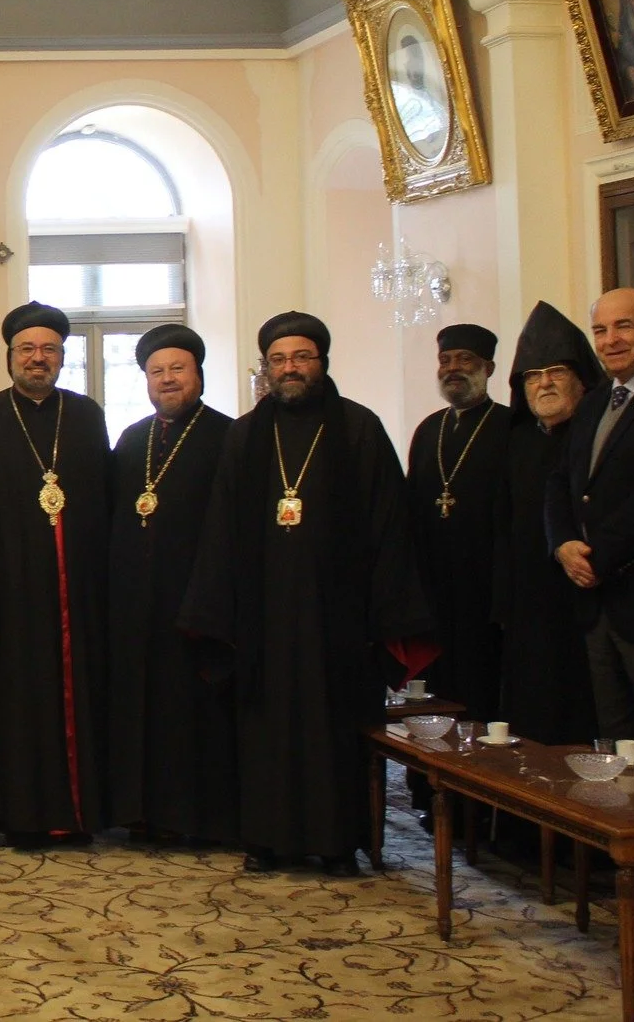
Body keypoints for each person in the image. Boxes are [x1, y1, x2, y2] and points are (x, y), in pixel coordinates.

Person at [179, 312, 434, 877]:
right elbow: (220, 527)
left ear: (322, 361)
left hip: (337, 619)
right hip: (262, 619)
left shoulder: (359, 429)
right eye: (278, 359)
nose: (289, 368)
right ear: (265, 367)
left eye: (301, 358)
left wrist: (383, 610)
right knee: (264, 732)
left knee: (333, 733)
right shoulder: (246, 435)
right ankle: (266, 840)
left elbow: (389, 525)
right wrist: (213, 611)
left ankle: (338, 842)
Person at [0, 300, 111, 848]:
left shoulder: (85, 416)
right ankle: (9, 814)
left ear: (63, 356)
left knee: (76, 702)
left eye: (49, 350)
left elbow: (104, 505)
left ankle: (75, 814)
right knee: (11, 706)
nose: (38, 359)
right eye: (27, 350)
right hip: (7, 598)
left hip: (74, 594)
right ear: (10, 356)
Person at [543, 287, 634, 915]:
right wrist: (560, 546)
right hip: (596, 602)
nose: (610, 341)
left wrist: (594, 555)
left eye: (624, 327)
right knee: (618, 741)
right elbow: (560, 482)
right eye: (600, 331)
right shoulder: (598, 399)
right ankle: (633, 864)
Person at [105, 323, 236, 845]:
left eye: (177, 369)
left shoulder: (228, 436)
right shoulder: (132, 438)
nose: (167, 379)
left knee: (193, 718)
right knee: (143, 713)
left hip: (199, 606)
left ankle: (199, 821)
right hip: (139, 610)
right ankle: (144, 814)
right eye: (156, 372)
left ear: (198, 374)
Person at [494, 302, 601, 746]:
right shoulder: (512, 441)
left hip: (585, 601)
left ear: (581, 379)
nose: (545, 383)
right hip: (526, 607)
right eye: (534, 375)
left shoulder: (598, 435)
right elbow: (498, 527)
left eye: (556, 371)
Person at [405, 323, 507, 721]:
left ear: (489, 367)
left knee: (481, 688)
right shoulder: (429, 430)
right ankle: (426, 780)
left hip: (485, 588)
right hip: (433, 587)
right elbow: (412, 506)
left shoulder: (509, 427)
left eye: (465, 359)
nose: (452, 368)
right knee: (432, 692)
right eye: (445, 360)